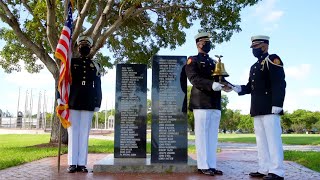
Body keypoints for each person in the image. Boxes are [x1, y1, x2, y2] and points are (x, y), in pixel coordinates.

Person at [232, 35, 286, 180]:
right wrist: (237, 88)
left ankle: (277, 171)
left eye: (256, 47)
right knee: (261, 141)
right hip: (257, 107)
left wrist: (278, 104)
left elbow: (279, 83)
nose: (254, 50)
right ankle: (264, 168)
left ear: (265, 46)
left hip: (270, 107)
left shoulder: (272, 59)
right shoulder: (254, 66)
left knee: (273, 140)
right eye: (253, 47)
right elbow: (250, 87)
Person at [185, 32, 231, 176]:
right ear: (199, 44)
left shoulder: (213, 62)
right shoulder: (192, 60)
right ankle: (203, 165)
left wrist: (229, 86)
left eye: (209, 42)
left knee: (212, 136)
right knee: (202, 135)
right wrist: (212, 85)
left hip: (215, 102)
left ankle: (211, 164)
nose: (208, 44)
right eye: (206, 42)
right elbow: (194, 79)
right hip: (201, 102)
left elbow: (221, 79)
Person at [57, 35, 102, 173]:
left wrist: (97, 102)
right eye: (82, 46)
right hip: (73, 100)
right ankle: (72, 163)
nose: (84, 48)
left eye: (87, 47)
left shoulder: (95, 65)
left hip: (88, 100)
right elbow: (62, 81)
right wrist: (59, 98)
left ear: (90, 49)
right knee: (73, 132)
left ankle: (82, 164)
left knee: (84, 133)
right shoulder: (70, 63)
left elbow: (98, 85)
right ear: (78, 47)